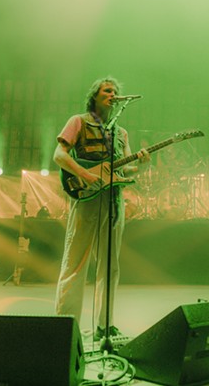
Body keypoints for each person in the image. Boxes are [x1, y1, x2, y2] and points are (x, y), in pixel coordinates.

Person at [52, 76, 148, 341]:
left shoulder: (121, 133)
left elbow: (126, 167)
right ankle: (65, 325)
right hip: (86, 196)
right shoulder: (78, 122)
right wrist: (86, 174)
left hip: (114, 199)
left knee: (110, 264)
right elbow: (59, 156)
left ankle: (105, 325)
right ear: (95, 95)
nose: (113, 93)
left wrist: (141, 162)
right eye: (108, 90)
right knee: (76, 260)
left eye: (116, 90)